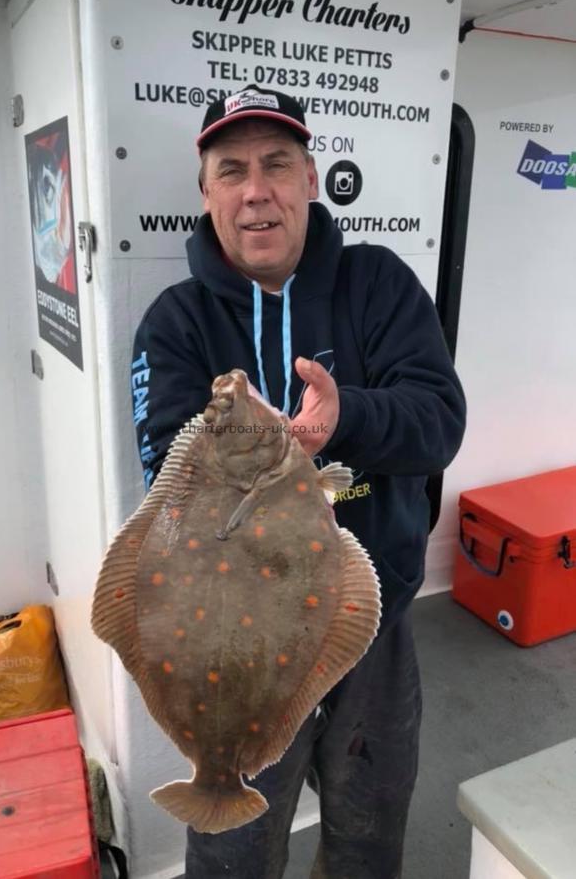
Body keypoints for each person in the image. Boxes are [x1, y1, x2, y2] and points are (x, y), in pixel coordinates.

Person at [130, 85, 466, 879]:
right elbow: (164, 486)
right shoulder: (174, 324)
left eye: (277, 164)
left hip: (369, 628)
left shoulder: (378, 284)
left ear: (310, 179)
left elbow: (437, 419)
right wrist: (270, 459)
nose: (257, 190)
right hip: (232, 648)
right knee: (233, 851)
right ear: (206, 192)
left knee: (369, 831)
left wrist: (343, 417)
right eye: (233, 169)